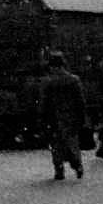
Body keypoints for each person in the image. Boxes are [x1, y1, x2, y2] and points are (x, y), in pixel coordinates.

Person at [39, 51, 86, 180]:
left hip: (54, 118)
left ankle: (59, 170)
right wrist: (81, 118)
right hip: (71, 118)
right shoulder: (74, 80)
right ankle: (77, 166)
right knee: (72, 144)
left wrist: (42, 119)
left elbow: (44, 103)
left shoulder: (47, 82)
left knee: (56, 146)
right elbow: (80, 101)